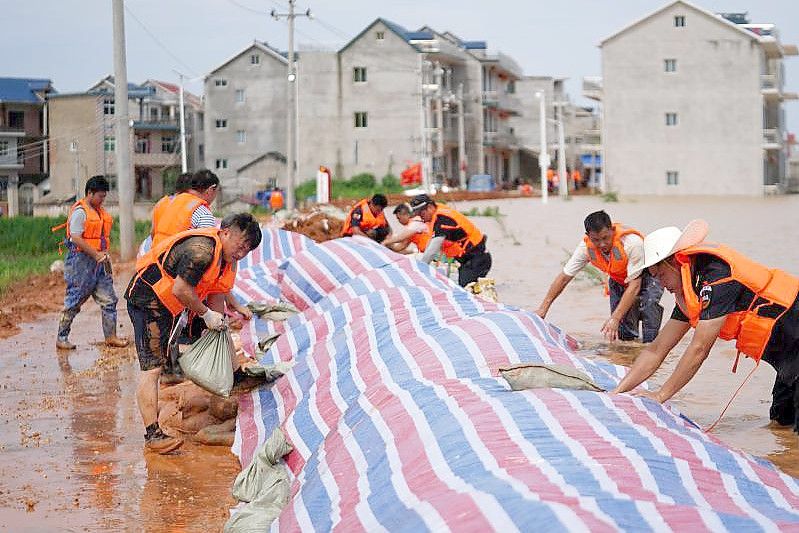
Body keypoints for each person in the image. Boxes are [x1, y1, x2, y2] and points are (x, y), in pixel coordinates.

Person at [612, 220, 799, 433]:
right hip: (788, 359)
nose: (661, 285)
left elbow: (699, 348)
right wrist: (617, 392)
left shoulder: (718, 276)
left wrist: (660, 396)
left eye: (661, 276)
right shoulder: (691, 288)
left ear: (673, 262)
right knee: (781, 425)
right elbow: (657, 349)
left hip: (795, 344)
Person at [125, 213, 262, 453]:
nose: (241, 253)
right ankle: (153, 435)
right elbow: (180, 289)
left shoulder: (226, 257)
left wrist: (224, 318)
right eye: (240, 246)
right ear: (226, 232)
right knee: (152, 368)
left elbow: (218, 289)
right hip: (149, 299)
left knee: (205, 336)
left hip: (172, 304)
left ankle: (237, 376)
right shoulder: (201, 251)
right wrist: (206, 314)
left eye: (247, 251)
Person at [535, 210, 664, 342]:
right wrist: (543, 309)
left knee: (649, 313)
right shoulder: (585, 248)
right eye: (596, 240)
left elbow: (635, 285)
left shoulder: (632, 243)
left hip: (647, 276)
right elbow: (564, 278)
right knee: (625, 334)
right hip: (619, 279)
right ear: (588, 236)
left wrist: (615, 318)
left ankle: (651, 345)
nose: (602, 244)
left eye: (605, 238)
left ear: (612, 230)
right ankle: (627, 355)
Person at [55, 175, 129, 350]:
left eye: (104, 196)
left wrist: (102, 256)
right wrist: (96, 255)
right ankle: (61, 337)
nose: (102, 200)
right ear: (90, 193)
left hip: (99, 261)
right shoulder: (80, 212)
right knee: (74, 300)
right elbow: (75, 238)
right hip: (81, 261)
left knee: (109, 299)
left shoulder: (99, 212)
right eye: (100, 196)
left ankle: (111, 336)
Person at [410, 194, 492, 287]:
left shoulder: (442, 220)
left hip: (477, 260)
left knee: (466, 290)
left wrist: (420, 270)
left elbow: (433, 250)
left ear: (430, 207)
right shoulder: (437, 212)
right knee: (466, 287)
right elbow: (431, 242)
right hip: (470, 260)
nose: (421, 218)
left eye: (422, 214)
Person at [137, 172, 194, 257]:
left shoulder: (161, 203)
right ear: (191, 190)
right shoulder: (187, 205)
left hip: (151, 252)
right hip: (168, 254)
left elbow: (153, 232)